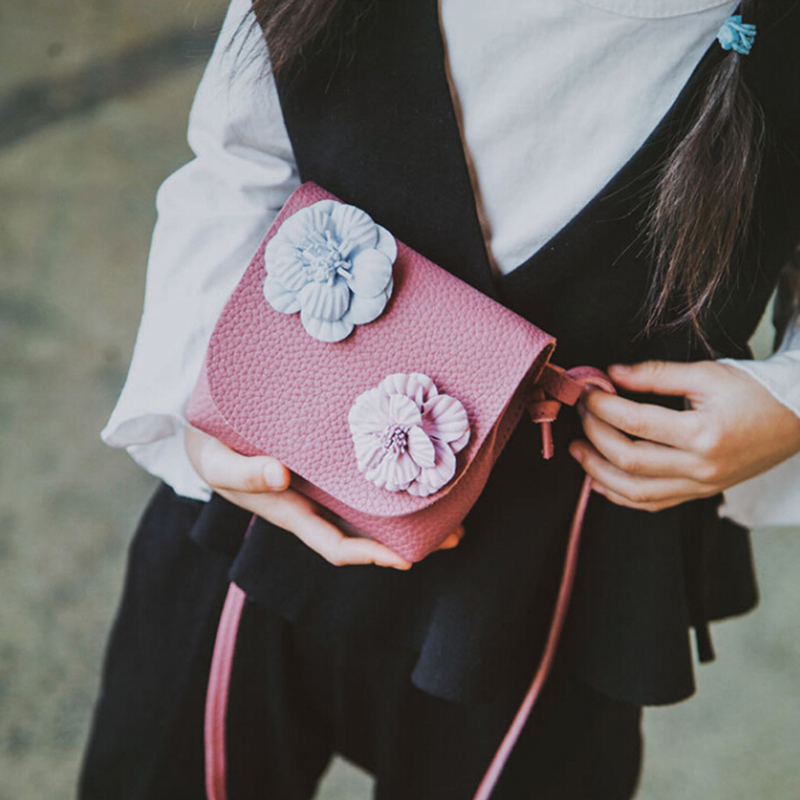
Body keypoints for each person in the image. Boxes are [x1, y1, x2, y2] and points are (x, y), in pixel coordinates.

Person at [79, 1, 800, 798]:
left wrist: (789, 402)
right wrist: (201, 406)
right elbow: (241, 154)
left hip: (564, 565)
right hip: (264, 475)